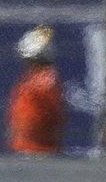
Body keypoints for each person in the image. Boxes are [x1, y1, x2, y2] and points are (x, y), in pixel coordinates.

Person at [8, 25, 64, 154]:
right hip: (24, 147)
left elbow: (51, 116)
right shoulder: (30, 78)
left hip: (39, 150)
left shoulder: (46, 79)